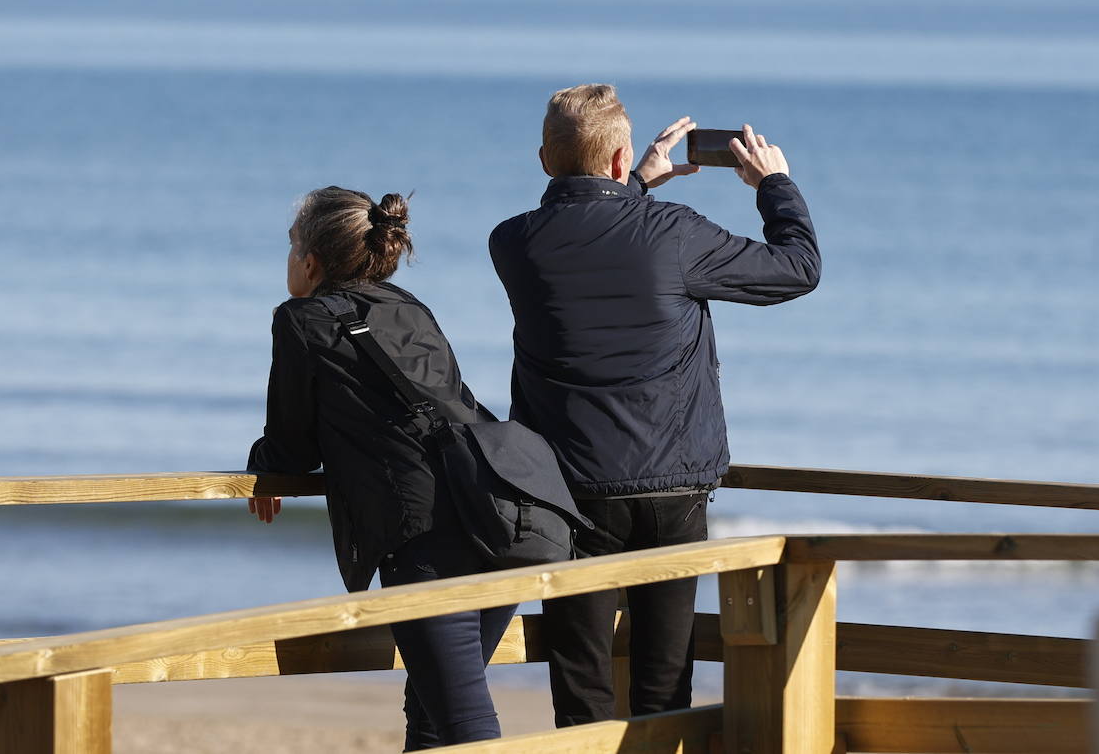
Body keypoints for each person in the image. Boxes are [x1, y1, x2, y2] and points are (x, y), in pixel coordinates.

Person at [489, 84, 820, 726]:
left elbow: (591, 235)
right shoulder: (675, 233)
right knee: (664, 690)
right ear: (619, 157)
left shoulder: (513, 244)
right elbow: (798, 267)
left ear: (544, 160)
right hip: (673, 490)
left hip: (570, 494)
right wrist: (773, 184)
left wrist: (631, 184)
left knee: (581, 688)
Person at [245, 186, 515, 749]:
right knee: (432, 710)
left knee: (464, 723)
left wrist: (262, 467)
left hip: (427, 536)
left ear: (311, 262)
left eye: (292, 245)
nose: (288, 258)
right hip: (496, 515)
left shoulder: (300, 319)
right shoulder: (408, 305)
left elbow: (293, 449)